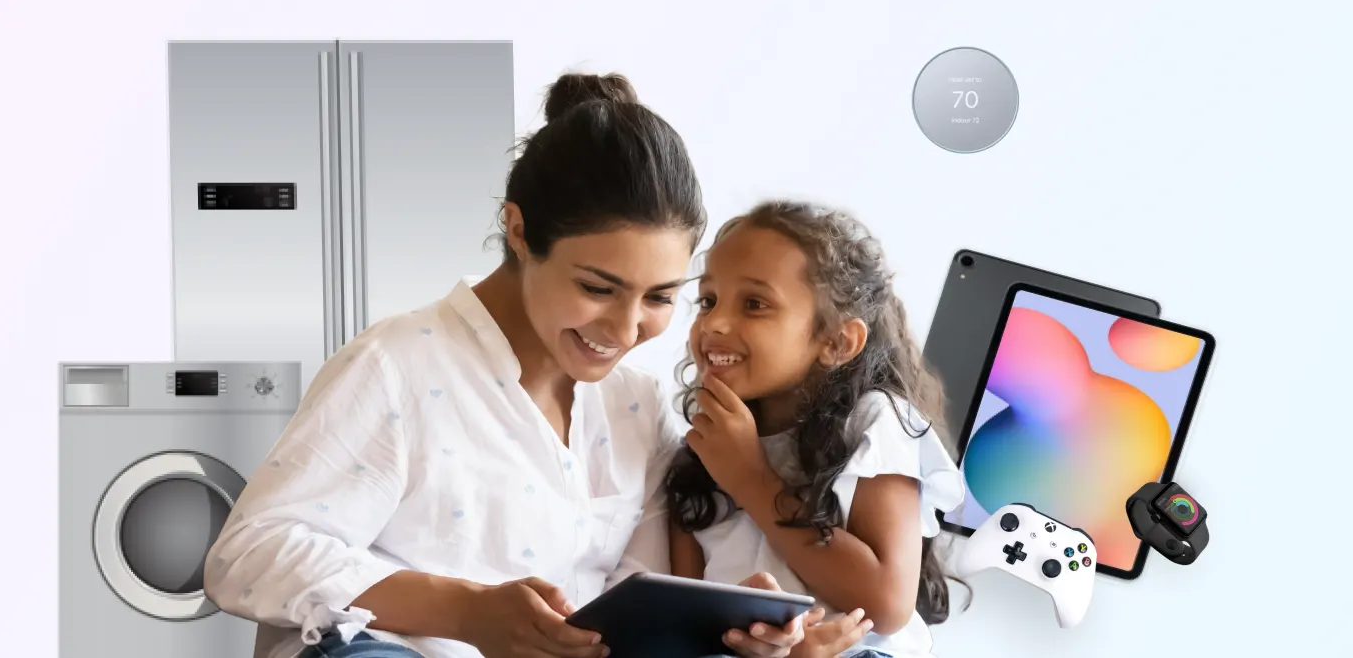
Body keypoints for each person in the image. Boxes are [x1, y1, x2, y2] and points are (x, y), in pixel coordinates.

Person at [201, 72, 806, 658]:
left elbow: (636, 597)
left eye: (659, 297)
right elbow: (247, 556)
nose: (625, 331)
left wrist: (722, 632)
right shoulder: (398, 366)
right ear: (518, 231)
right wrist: (467, 612)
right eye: (598, 288)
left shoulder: (637, 405)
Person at [663, 201, 971, 658]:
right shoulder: (699, 453)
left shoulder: (872, 423)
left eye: (754, 304)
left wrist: (751, 479)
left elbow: (886, 605)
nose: (714, 323)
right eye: (708, 300)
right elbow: (683, 631)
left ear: (836, 341)